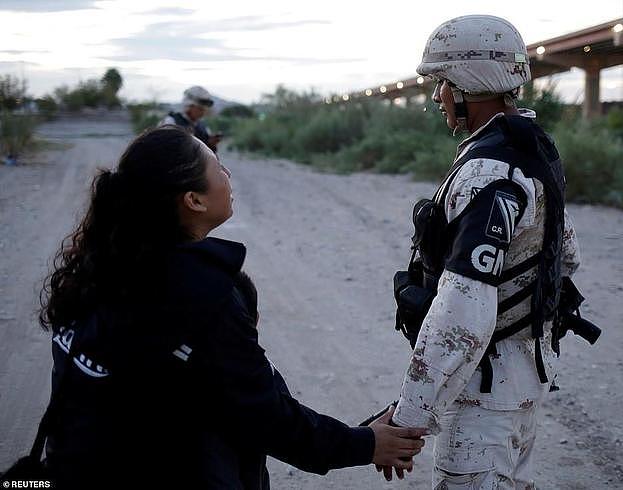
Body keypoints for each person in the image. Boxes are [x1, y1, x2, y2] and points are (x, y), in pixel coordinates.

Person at [39, 126, 426, 490]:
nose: (226, 171)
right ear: (193, 200)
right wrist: (366, 443)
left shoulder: (99, 270)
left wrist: (359, 437)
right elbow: (265, 416)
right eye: (216, 166)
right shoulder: (200, 297)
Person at [387, 15, 582, 489]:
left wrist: (408, 414)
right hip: (522, 374)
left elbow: (463, 313)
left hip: (484, 390)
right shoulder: (532, 149)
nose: (437, 97)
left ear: (463, 85)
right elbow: (567, 255)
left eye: (441, 84)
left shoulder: (487, 170)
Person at [159, 85, 223, 153]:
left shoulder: (203, 127)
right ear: (189, 106)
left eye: (204, 109)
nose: (203, 112)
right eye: (200, 109)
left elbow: (207, 153)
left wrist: (211, 144)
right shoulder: (171, 122)